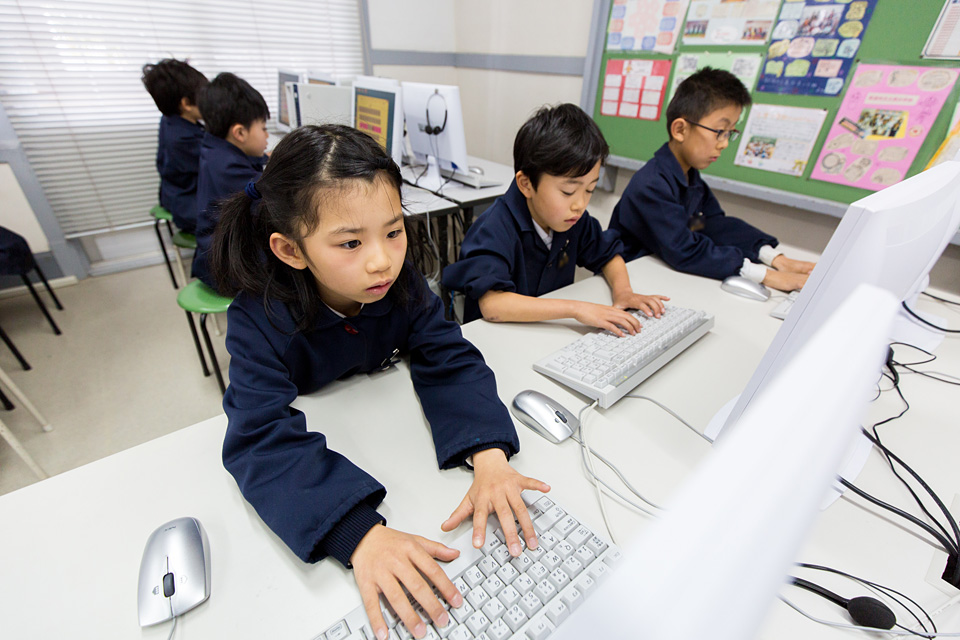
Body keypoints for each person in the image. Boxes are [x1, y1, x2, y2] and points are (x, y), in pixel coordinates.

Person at [211, 124, 548, 640]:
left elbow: (446, 352)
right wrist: (359, 533)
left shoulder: (398, 282)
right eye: (350, 242)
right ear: (291, 250)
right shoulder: (257, 318)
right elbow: (259, 437)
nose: (382, 260)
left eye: (393, 232)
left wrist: (488, 453)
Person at [442, 103, 668, 335]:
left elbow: (608, 255)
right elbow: (493, 305)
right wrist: (576, 309)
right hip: (497, 339)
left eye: (589, 190)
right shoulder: (494, 228)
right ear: (526, 184)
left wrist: (624, 292)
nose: (580, 204)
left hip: (545, 333)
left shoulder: (572, 220)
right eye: (568, 192)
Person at [608, 68, 815, 292]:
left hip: (664, 273)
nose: (724, 143)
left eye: (730, 133)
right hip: (631, 280)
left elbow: (712, 225)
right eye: (719, 131)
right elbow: (683, 249)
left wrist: (774, 258)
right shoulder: (651, 185)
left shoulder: (691, 178)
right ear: (680, 130)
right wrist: (765, 276)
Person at [191, 72, 270, 288]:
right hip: (225, 266)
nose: (267, 136)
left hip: (218, 251)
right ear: (239, 133)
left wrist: (266, 157)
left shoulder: (215, 148)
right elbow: (270, 198)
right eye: (263, 128)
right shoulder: (229, 168)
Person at [140, 59, 208, 233]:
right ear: (186, 104)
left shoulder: (171, 119)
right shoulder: (182, 138)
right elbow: (219, 161)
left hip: (175, 194)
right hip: (189, 204)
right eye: (205, 96)